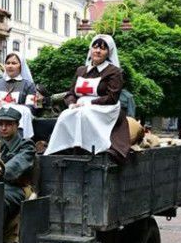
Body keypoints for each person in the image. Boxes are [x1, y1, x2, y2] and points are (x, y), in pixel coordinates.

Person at [44, 34, 131, 163]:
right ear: (90, 50)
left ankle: (89, 148)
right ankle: (61, 148)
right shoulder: (81, 70)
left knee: (84, 114)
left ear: (109, 52)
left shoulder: (114, 71)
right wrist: (72, 104)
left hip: (105, 108)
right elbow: (70, 93)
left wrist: (88, 102)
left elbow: (112, 97)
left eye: (102, 48)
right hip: (79, 106)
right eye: (95, 47)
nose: (97, 51)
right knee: (65, 115)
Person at [0, 107, 35, 223]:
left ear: (17, 125)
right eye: (0, 124)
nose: (3, 128)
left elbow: (15, 165)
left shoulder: (26, 145)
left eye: (8, 124)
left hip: (16, 188)